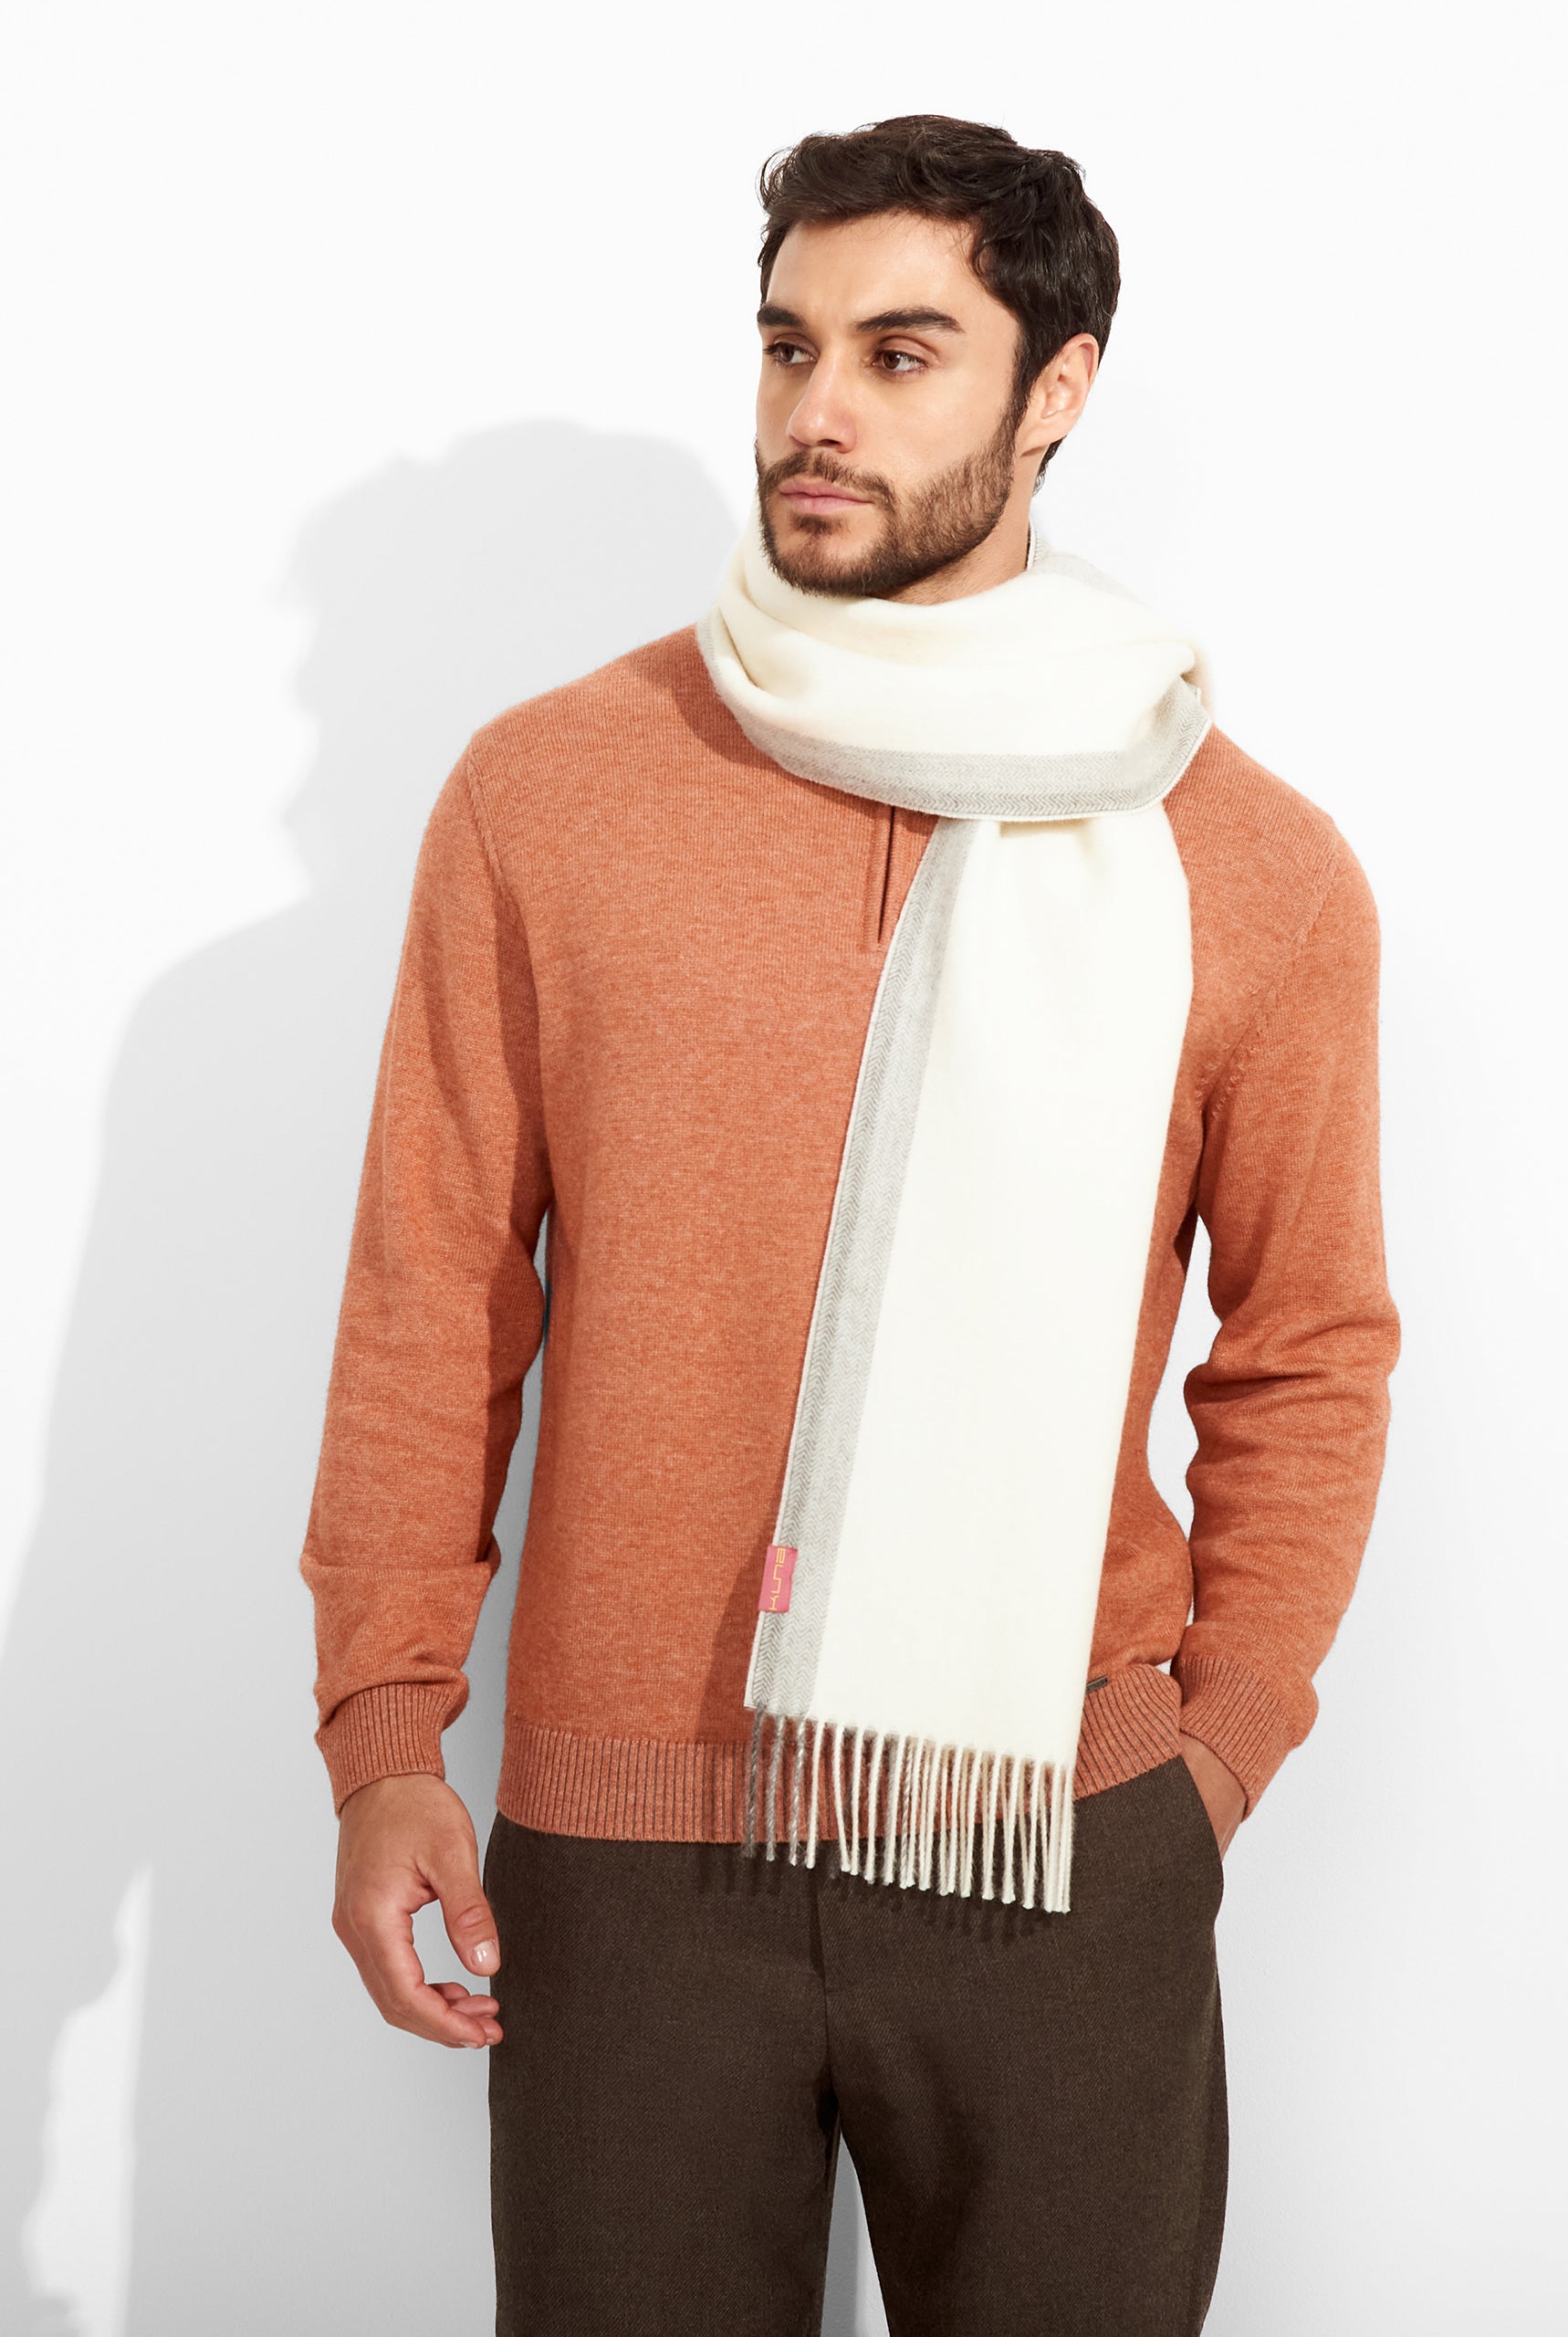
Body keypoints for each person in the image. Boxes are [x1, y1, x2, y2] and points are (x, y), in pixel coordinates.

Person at [302, 113, 1400, 2337]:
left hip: (1056, 1837)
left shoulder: (1246, 862)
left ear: (1056, 387)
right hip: (629, 1853)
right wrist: (388, 1733)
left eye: (903, 354)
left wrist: (1215, 1753)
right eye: (790, 343)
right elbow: (436, 1294)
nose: (819, 407)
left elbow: (1307, 1346)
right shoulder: (550, 789)